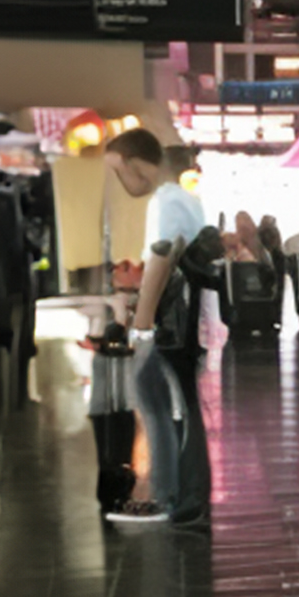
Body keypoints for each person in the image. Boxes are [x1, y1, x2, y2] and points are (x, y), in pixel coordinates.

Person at [101, 129, 212, 526]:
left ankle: (168, 499)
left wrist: (141, 325)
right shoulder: (181, 199)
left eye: (119, 171)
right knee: (173, 406)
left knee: (155, 401)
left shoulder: (166, 201)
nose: (121, 181)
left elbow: (162, 258)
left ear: (134, 164)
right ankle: (178, 499)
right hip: (185, 322)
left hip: (171, 324)